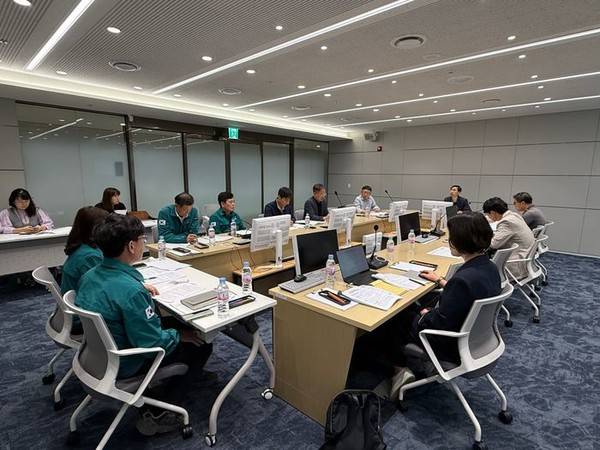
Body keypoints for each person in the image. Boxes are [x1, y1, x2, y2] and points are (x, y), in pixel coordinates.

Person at [76, 214, 213, 435]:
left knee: (172, 323)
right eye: (142, 239)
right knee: (201, 344)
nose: (144, 243)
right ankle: (160, 413)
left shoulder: (89, 276)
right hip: (126, 361)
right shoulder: (131, 291)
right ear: (131, 246)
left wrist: (138, 286)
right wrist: (179, 335)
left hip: (96, 354)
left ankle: (172, 382)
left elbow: (116, 296)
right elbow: (151, 344)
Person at [350, 213, 500, 398]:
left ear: (461, 241)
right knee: (419, 303)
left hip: (449, 344)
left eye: (452, 238)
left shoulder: (462, 280)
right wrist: (441, 281)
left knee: (396, 315)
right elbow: (468, 293)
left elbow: (438, 323)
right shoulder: (489, 267)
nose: (450, 242)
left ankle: (399, 369)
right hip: (476, 337)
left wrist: (425, 313)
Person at [483, 197, 535, 280]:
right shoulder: (514, 215)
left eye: (488, 215)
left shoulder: (506, 222)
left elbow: (493, 245)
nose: (488, 217)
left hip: (515, 265)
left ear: (492, 212)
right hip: (525, 258)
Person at [61, 206, 108, 294]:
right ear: (96, 228)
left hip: (81, 295)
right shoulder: (90, 256)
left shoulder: (83, 247)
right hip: (82, 299)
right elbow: (102, 288)